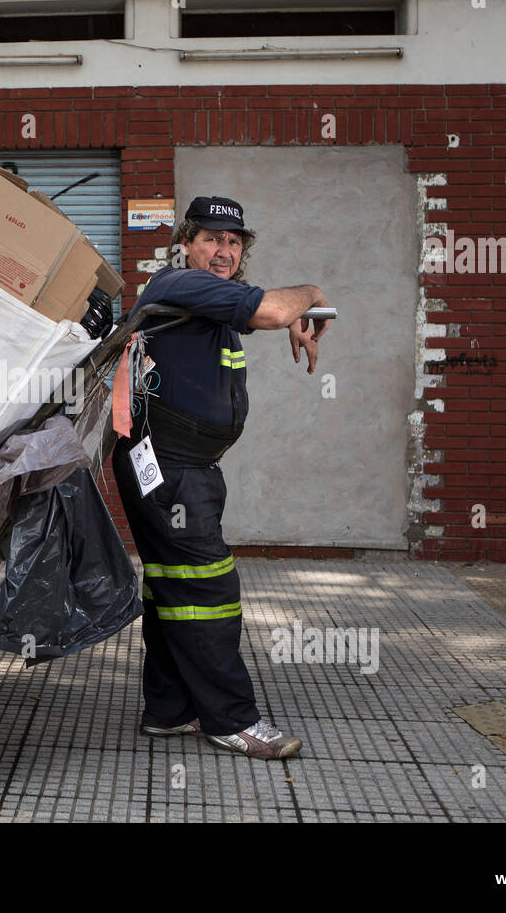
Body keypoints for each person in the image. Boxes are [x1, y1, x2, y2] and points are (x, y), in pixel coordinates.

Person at [111, 195, 329, 759]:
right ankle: (231, 719)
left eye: (233, 242)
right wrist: (312, 297)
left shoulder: (209, 302)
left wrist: (292, 315)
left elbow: (258, 312)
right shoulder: (179, 284)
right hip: (169, 470)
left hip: (186, 469)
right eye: (210, 239)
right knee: (210, 588)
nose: (223, 251)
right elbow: (276, 310)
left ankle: (170, 710)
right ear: (186, 244)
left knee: (172, 587)